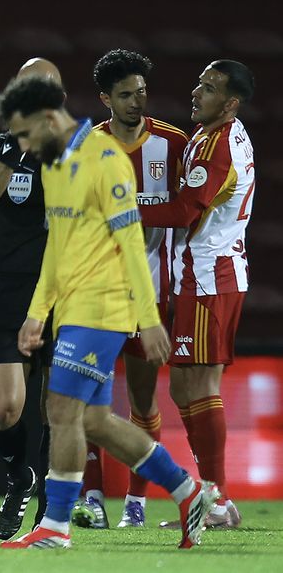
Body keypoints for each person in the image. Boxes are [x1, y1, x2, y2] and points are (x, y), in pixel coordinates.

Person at [0, 75, 218, 550]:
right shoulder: (55, 165)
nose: (25, 145)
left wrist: (150, 317)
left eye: (27, 133)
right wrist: (38, 313)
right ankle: (185, 489)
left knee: (60, 408)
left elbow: (132, 242)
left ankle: (55, 527)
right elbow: (58, 244)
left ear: (50, 118)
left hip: (106, 303)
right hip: (72, 306)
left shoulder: (106, 160)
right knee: (93, 421)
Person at [72, 49, 188, 529]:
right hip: (98, 293)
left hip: (152, 295)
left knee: (143, 401)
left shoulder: (173, 144)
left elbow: (191, 214)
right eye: (125, 95)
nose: (137, 102)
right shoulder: (86, 146)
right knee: (88, 398)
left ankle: (136, 503)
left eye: (142, 92)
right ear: (105, 99)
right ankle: (93, 496)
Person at [139, 60, 255, 529]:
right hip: (201, 276)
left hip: (211, 277)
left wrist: (123, 209)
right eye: (199, 84)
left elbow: (186, 210)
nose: (196, 92)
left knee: (200, 386)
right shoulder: (212, 135)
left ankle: (219, 500)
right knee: (187, 385)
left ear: (230, 103)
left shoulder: (219, 145)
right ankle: (211, 495)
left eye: (208, 89)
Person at [0, 57, 60, 539]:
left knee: (56, 408)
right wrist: (19, 149)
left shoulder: (80, 148)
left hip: (66, 290)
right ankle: (18, 476)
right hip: (11, 290)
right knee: (5, 410)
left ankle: (51, 499)